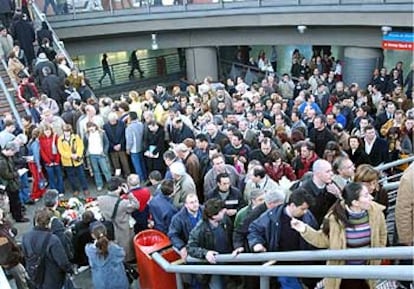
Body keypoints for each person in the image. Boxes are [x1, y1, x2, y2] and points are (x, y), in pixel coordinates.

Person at [291, 182, 387, 289]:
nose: (371, 197)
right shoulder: (334, 218)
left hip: (367, 273)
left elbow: (382, 235)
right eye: (365, 195)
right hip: (342, 275)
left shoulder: (377, 213)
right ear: (355, 202)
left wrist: (378, 255)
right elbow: (322, 240)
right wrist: (304, 229)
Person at [248, 189, 318, 289]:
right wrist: (256, 244)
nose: (305, 212)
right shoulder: (271, 216)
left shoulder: (308, 216)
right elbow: (254, 229)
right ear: (292, 205)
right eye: (302, 209)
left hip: (303, 267)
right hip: (282, 266)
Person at [187, 198, 239, 289]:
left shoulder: (225, 219)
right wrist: (205, 253)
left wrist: (236, 247)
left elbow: (232, 234)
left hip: (227, 261)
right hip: (213, 267)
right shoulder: (200, 229)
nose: (225, 211)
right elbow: (191, 247)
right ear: (214, 216)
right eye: (221, 211)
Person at [22, 208, 73, 289]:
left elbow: (25, 255)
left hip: (35, 275)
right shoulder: (53, 239)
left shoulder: (25, 237)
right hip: (52, 278)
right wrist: (70, 270)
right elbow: (62, 261)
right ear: (49, 223)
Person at [97, 177, 139, 262]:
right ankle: (128, 260)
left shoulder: (100, 199)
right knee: (127, 246)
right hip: (124, 228)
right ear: (119, 188)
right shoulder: (123, 203)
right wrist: (129, 193)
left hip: (110, 227)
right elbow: (136, 205)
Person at [85, 222, 129, 289]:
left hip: (100, 282)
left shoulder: (89, 249)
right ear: (106, 232)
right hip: (117, 280)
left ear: (92, 235)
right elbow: (122, 254)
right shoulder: (113, 247)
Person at [0, 208, 30, 289]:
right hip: (12, 263)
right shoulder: (1, 236)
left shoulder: (4, 224)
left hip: (13, 256)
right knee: (22, 281)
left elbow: (12, 232)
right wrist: (17, 256)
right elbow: (5, 255)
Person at [57, 124, 89, 197]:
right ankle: (75, 189)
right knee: (71, 176)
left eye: (68, 131)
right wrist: (70, 155)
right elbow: (61, 151)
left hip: (77, 160)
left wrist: (77, 155)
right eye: (65, 131)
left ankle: (85, 188)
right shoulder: (60, 139)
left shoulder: (76, 137)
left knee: (81, 175)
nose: (67, 132)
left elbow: (80, 147)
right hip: (67, 162)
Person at [0, 142, 28, 222]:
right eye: (13, 152)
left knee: (14, 201)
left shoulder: (7, 158)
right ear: (9, 150)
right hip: (9, 184)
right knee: (15, 201)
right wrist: (17, 173)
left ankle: (16, 215)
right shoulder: (2, 161)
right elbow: (6, 175)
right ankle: (18, 217)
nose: (13, 154)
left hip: (12, 183)